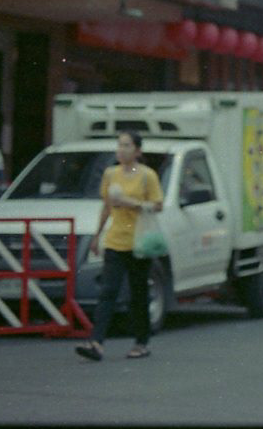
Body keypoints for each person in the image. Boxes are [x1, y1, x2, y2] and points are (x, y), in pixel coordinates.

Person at [76, 131, 163, 362]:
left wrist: (130, 202)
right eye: (120, 145)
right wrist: (97, 236)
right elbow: (106, 206)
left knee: (138, 293)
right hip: (115, 240)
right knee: (108, 291)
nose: (121, 150)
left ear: (138, 151)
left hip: (139, 242)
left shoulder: (147, 176)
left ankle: (141, 342)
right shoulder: (110, 174)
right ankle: (96, 342)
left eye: (127, 145)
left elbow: (158, 205)